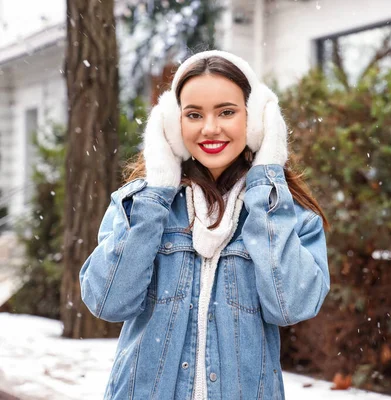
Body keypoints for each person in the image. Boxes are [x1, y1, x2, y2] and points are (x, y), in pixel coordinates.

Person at [79, 50, 330, 400]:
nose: (210, 128)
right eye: (193, 114)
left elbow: (291, 306)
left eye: (227, 111)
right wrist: (158, 190)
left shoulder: (285, 214)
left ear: (256, 120)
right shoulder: (140, 206)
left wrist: (266, 177)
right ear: (172, 123)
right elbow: (108, 302)